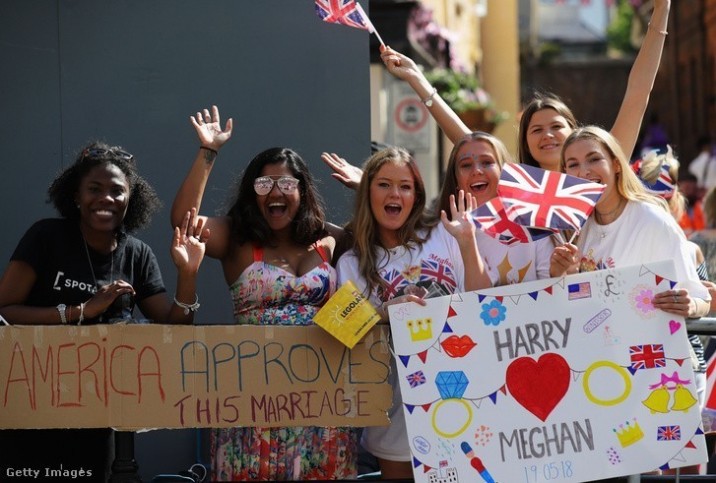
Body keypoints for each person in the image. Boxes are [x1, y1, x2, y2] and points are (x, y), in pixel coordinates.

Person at [0, 142, 206, 479]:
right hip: (32, 405)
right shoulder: (46, 237)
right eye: (94, 189)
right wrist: (82, 310)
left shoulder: (137, 254)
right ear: (76, 196)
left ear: (131, 199)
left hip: (96, 412)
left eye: (117, 191)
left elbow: (175, 326)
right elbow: (5, 311)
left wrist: (188, 274)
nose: (106, 198)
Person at [171, 106, 356, 480]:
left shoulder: (330, 239)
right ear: (251, 193)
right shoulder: (237, 240)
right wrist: (208, 152)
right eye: (264, 184)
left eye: (287, 184)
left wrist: (364, 185)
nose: (275, 192)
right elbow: (184, 223)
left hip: (321, 403)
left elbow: (384, 234)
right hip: (252, 404)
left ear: (302, 191)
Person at [336, 147, 493, 479]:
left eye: (405, 186)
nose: (395, 194)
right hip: (398, 411)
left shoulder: (443, 233)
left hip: (467, 396)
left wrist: (468, 242)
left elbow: (483, 303)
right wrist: (383, 312)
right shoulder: (351, 263)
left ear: (416, 195)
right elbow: (343, 332)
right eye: (384, 185)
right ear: (368, 192)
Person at [550, 126, 710, 321]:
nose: (584, 171)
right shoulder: (576, 229)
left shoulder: (654, 221)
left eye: (594, 159)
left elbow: (701, 297)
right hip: (599, 348)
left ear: (616, 164)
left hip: (651, 348)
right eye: (573, 164)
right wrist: (561, 274)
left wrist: (691, 305)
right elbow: (577, 307)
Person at [518, 0, 670, 171]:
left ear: (573, 132)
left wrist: (662, 9)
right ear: (524, 142)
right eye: (537, 130)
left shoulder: (602, 171)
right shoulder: (512, 192)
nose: (548, 135)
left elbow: (638, 92)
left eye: (556, 126)